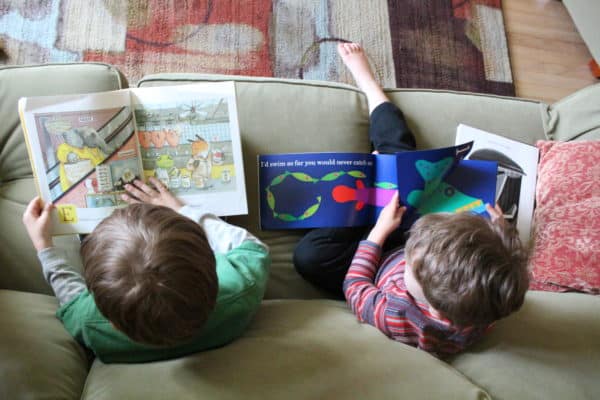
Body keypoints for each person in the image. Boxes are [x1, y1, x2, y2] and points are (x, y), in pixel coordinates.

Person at [294, 43, 529, 357]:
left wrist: (378, 234)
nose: (411, 252)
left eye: (411, 262)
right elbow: (495, 266)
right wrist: (500, 230)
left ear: (428, 300)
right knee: (404, 167)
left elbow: (355, 287)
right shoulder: (485, 304)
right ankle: (373, 93)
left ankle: (370, 172)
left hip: (375, 258)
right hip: (432, 244)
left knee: (310, 256)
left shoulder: (395, 314)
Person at [22, 176, 270, 363]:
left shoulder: (89, 325)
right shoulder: (243, 287)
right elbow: (252, 247)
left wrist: (43, 246)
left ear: (114, 324)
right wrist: (181, 210)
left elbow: (69, 293)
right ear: (213, 271)